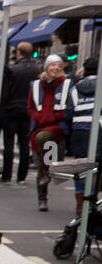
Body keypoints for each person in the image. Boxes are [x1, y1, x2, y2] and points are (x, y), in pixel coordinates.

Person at [29, 54, 72, 211]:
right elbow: (31, 107)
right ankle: (42, 196)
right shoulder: (36, 85)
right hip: (40, 125)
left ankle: (46, 173)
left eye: (59, 66)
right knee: (43, 161)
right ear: (47, 67)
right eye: (53, 65)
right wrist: (39, 117)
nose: (56, 68)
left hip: (58, 126)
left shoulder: (67, 84)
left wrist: (57, 116)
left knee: (43, 137)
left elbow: (69, 107)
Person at [0, 42, 38, 184]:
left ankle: (7, 175)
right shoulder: (37, 70)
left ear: (18, 52)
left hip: (11, 109)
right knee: (24, 144)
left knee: (8, 143)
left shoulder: (12, 69)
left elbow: (5, 91)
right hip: (28, 110)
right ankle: (22, 176)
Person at [67, 56, 98, 218]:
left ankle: (81, 203)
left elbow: (68, 113)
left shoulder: (75, 89)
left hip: (79, 131)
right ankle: (92, 200)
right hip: (98, 130)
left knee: (81, 166)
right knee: (96, 167)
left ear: (84, 71)